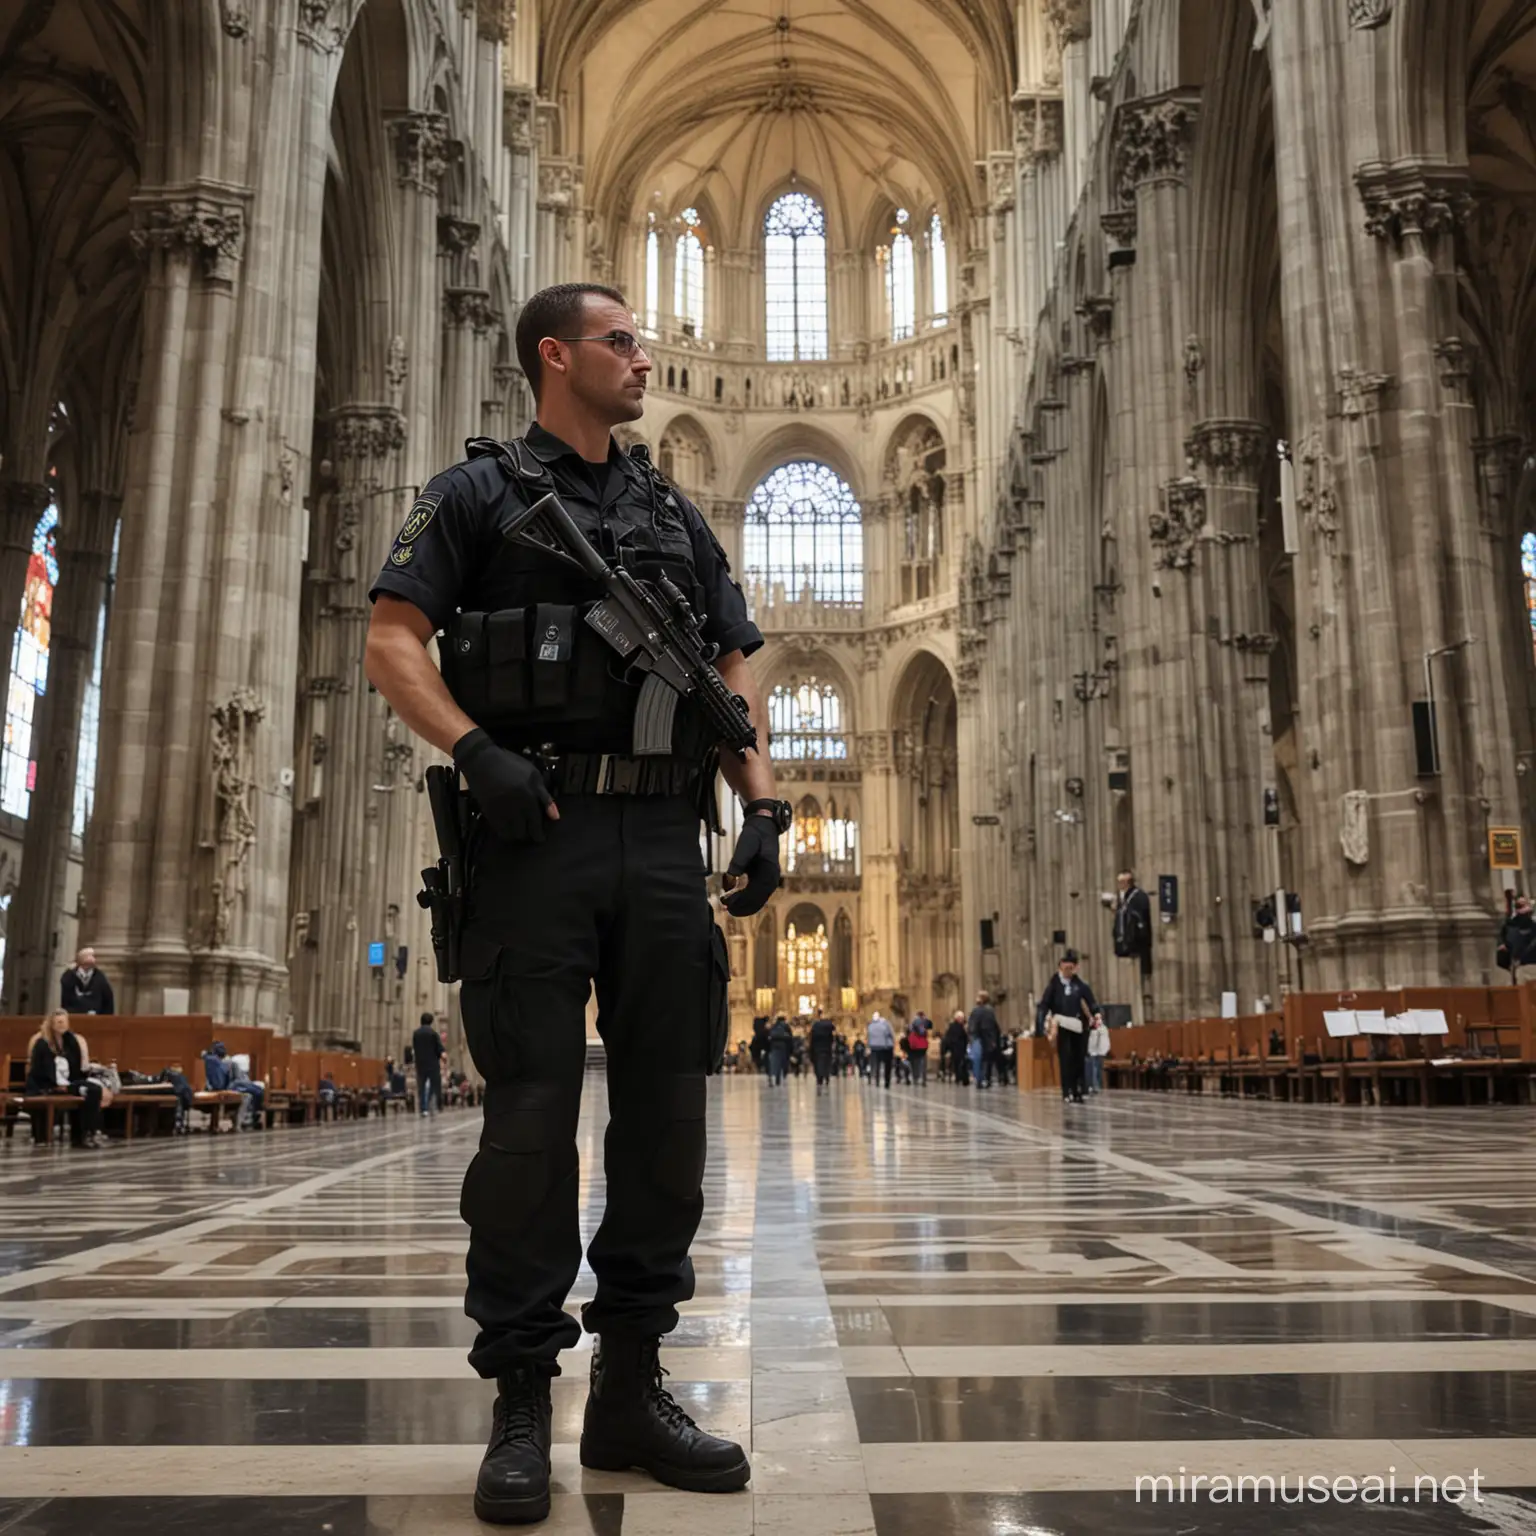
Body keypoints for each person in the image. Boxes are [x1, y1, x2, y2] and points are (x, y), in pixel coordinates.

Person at [365, 282, 775, 1523]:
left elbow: (729, 663)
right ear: (556, 357)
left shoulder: (670, 513)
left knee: (665, 1124)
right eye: (621, 340)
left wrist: (760, 804)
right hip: (531, 833)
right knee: (530, 1126)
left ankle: (633, 1388)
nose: (644, 357)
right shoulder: (475, 493)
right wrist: (471, 745)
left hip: (661, 838)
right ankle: (523, 1398)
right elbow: (391, 637)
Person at [25, 1010, 111, 1147]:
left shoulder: (71, 1041)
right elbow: (38, 1070)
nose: (62, 1024)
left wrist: (80, 1082)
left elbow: (77, 1068)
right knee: (82, 1091)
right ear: (51, 1024)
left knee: (94, 1090)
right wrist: (54, 1084)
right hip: (46, 1084)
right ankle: (80, 1134)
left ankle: (88, 1133)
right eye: (59, 1022)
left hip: (68, 1083)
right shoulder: (42, 1043)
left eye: (64, 1021)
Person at [1036, 951, 1102, 1105]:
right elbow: (1044, 1004)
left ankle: (1078, 1090)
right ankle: (1067, 1091)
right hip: (1062, 1027)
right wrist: (1041, 1023)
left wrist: (1097, 1014)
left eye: (1071, 968)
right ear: (1060, 967)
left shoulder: (1080, 986)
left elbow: (1091, 1002)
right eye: (1065, 967)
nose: (1068, 971)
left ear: (1075, 968)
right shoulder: (1053, 986)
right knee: (1066, 1059)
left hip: (1078, 1026)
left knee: (1079, 1058)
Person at [1112, 870, 1153, 1015]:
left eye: (1120, 883)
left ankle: (1142, 1015)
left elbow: (1140, 923)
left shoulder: (1138, 897)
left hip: (1137, 949)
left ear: (1126, 883)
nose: (1119, 886)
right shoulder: (1125, 899)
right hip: (1128, 949)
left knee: (1139, 987)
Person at [203, 1043, 266, 1128]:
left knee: (252, 1092)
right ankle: (251, 1116)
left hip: (229, 1085)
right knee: (255, 1091)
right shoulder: (225, 1062)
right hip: (229, 1086)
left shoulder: (213, 1061)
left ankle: (248, 1117)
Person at [60, 947, 114, 1016]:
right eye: (90, 955)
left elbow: (108, 999)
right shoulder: (69, 976)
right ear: (81, 959)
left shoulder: (99, 977)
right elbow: (65, 1000)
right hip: (74, 1015)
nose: (93, 958)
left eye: (93, 956)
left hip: (95, 1016)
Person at [413, 1012, 445, 1116]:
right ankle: (433, 1104)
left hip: (420, 1064)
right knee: (434, 1085)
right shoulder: (433, 1033)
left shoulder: (416, 1033)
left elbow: (415, 1049)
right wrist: (443, 1057)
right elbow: (439, 1049)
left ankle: (423, 1108)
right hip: (433, 1064)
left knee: (421, 1087)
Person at [1499, 895, 1536, 983]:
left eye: (1527, 905)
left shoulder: (1533, 926)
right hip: (1519, 967)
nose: (1526, 909)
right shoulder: (1509, 927)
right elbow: (1502, 949)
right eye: (1521, 906)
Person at [967, 991, 1001, 1089]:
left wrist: (971, 1037)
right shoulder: (990, 1010)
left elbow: (972, 1026)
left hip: (979, 1037)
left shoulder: (977, 1010)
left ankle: (980, 1079)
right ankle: (986, 1079)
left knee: (978, 1060)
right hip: (987, 1038)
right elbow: (994, 1026)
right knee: (986, 1060)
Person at [867, 1012, 896, 1088]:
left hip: (874, 1047)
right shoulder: (885, 1023)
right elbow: (891, 1034)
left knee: (876, 1064)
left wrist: (869, 1046)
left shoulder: (870, 1025)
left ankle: (877, 1081)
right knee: (887, 1065)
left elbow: (869, 1037)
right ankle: (887, 1082)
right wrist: (893, 1043)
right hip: (885, 1047)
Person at [809, 1013, 835, 1093]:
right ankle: (826, 1078)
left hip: (817, 1049)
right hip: (827, 1049)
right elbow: (832, 1039)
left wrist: (811, 1049)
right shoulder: (829, 1028)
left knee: (818, 1064)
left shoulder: (815, 1027)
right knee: (827, 1064)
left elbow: (812, 1039)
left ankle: (819, 1080)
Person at [942, 1012, 969, 1085]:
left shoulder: (955, 1026)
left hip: (956, 1048)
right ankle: (962, 1078)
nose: (962, 1020)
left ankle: (959, 1078)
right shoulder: (958, 1027)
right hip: (958, 1048)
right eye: (961, 1018)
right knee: (960, 1063)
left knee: (959, 1064)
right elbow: (965, 1038)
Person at [905, 1012, 931, 1086]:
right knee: (923, 1063)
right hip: (922, 1046)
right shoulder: (922, 1024)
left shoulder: (912, 1024)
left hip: (914, 1046)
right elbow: (924, 1033)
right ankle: (923, 1079)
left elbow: (908, 1034)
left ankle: (915, 1078)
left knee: (914, 1063)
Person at [1086, 1016, 1110, 1094]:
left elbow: (1106, 1040)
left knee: (1099, 1070)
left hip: (1101, 1052)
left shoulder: (1103, 1028)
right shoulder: (1091, 1029)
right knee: (1093, 1070)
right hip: (1092, 1052)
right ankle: (1094, 1086)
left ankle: (1099, 1086)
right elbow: (1090, 1040)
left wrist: (1105, 1050)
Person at [766, 1015, 792, 1086]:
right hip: (783, 1047)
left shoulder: (773, 1026)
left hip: (774, 1047)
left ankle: (772, 1076)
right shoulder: (786, 1026)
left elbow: (769, 1036)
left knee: (774, 1062)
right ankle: (780, 1077)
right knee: (782, 1063)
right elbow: (790, 1037)